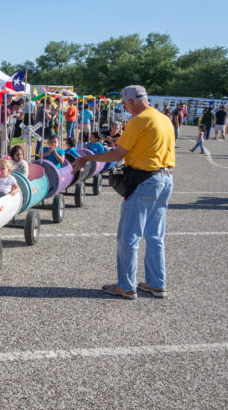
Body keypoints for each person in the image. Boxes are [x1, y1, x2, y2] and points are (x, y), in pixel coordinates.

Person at [72, 85, 174, 300]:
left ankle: (126, 285)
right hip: (165, 178)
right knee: (155, 236)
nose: (125, 108)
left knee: (129, 236)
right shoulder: (163, 118)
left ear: (129, 102)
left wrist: (87, 158)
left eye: (124, 103)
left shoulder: (139, 121)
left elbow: (116, 156)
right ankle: (157, 284)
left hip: (145, 180)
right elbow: (148, 145)